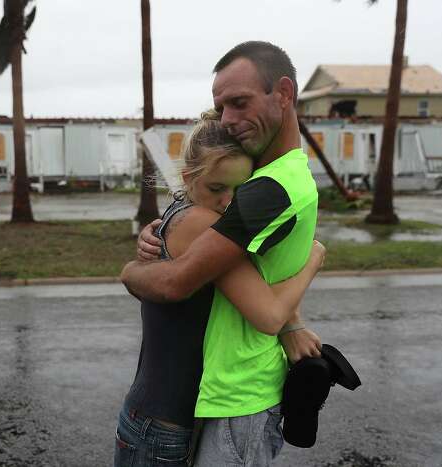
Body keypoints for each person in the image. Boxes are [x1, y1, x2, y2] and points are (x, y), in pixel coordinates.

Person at [121, 41, 321, 466]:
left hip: (193, 407)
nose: (229, 119)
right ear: (192, 177)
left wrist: (293, 323)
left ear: (284, 94)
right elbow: (253, 294)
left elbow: (222, 281)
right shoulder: (210, 213)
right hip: (179, 414)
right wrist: (313, 262)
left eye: (240, 102)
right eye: (222, 106)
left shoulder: (261, 189)